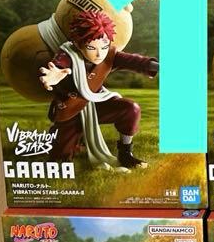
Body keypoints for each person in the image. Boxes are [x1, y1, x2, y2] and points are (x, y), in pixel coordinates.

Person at [40, 10, 158, 170]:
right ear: (78, 44)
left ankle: (125, 153)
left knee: (131, 109)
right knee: (60, 162)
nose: (99, 54)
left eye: (104, 47)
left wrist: (158, 66)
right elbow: (59, 65)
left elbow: (134, 61)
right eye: (91, 47)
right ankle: (68, 138)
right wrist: (53, 75)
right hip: (71, 113)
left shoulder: (109, 55)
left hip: (96, 105)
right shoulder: (67, 54)